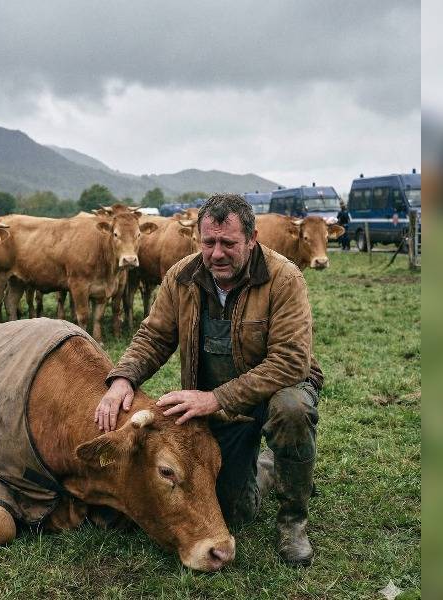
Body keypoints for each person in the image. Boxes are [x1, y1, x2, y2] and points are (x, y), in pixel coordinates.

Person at [94, 193, 323, 565]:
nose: (217, 253)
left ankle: (293, 521)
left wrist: (216, 398)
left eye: (228, 243)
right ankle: (272, 466)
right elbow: (154, 336)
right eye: (209, 242)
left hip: (277, 388)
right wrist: (123, 378)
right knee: (233, 511)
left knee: (292, 410)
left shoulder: (283, 277)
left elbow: (290, 361)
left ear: (252, 239)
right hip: (219, 406)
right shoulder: (182, 276)